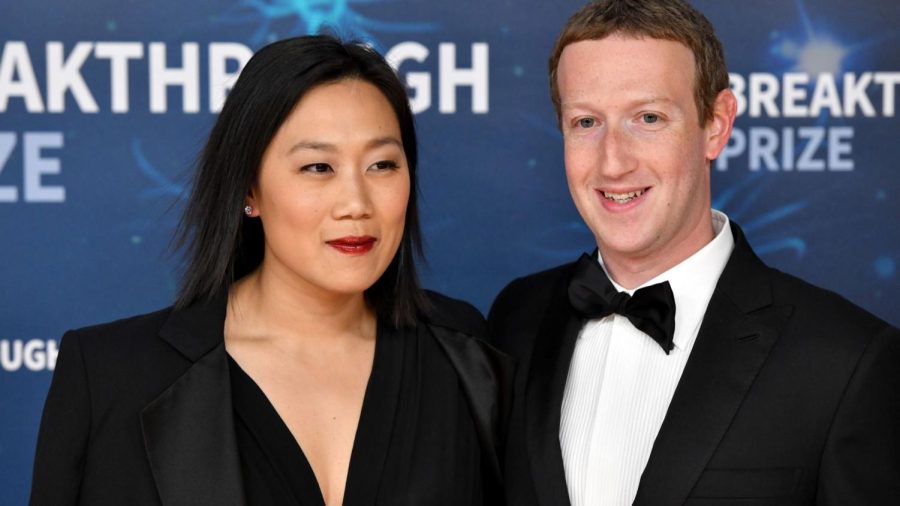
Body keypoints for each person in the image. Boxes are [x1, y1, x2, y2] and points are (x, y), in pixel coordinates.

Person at [31, 35, 512, 506]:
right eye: (318, 167)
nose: (356, 203)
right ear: (248, 191)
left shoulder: (469, 356)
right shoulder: (111, 377)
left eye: (383, 165)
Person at [488, 1, 900, 505]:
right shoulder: (516, 320)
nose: (613, 162)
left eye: (648, 117)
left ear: (716, 124)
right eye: (586, 122)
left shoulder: (845, 362)